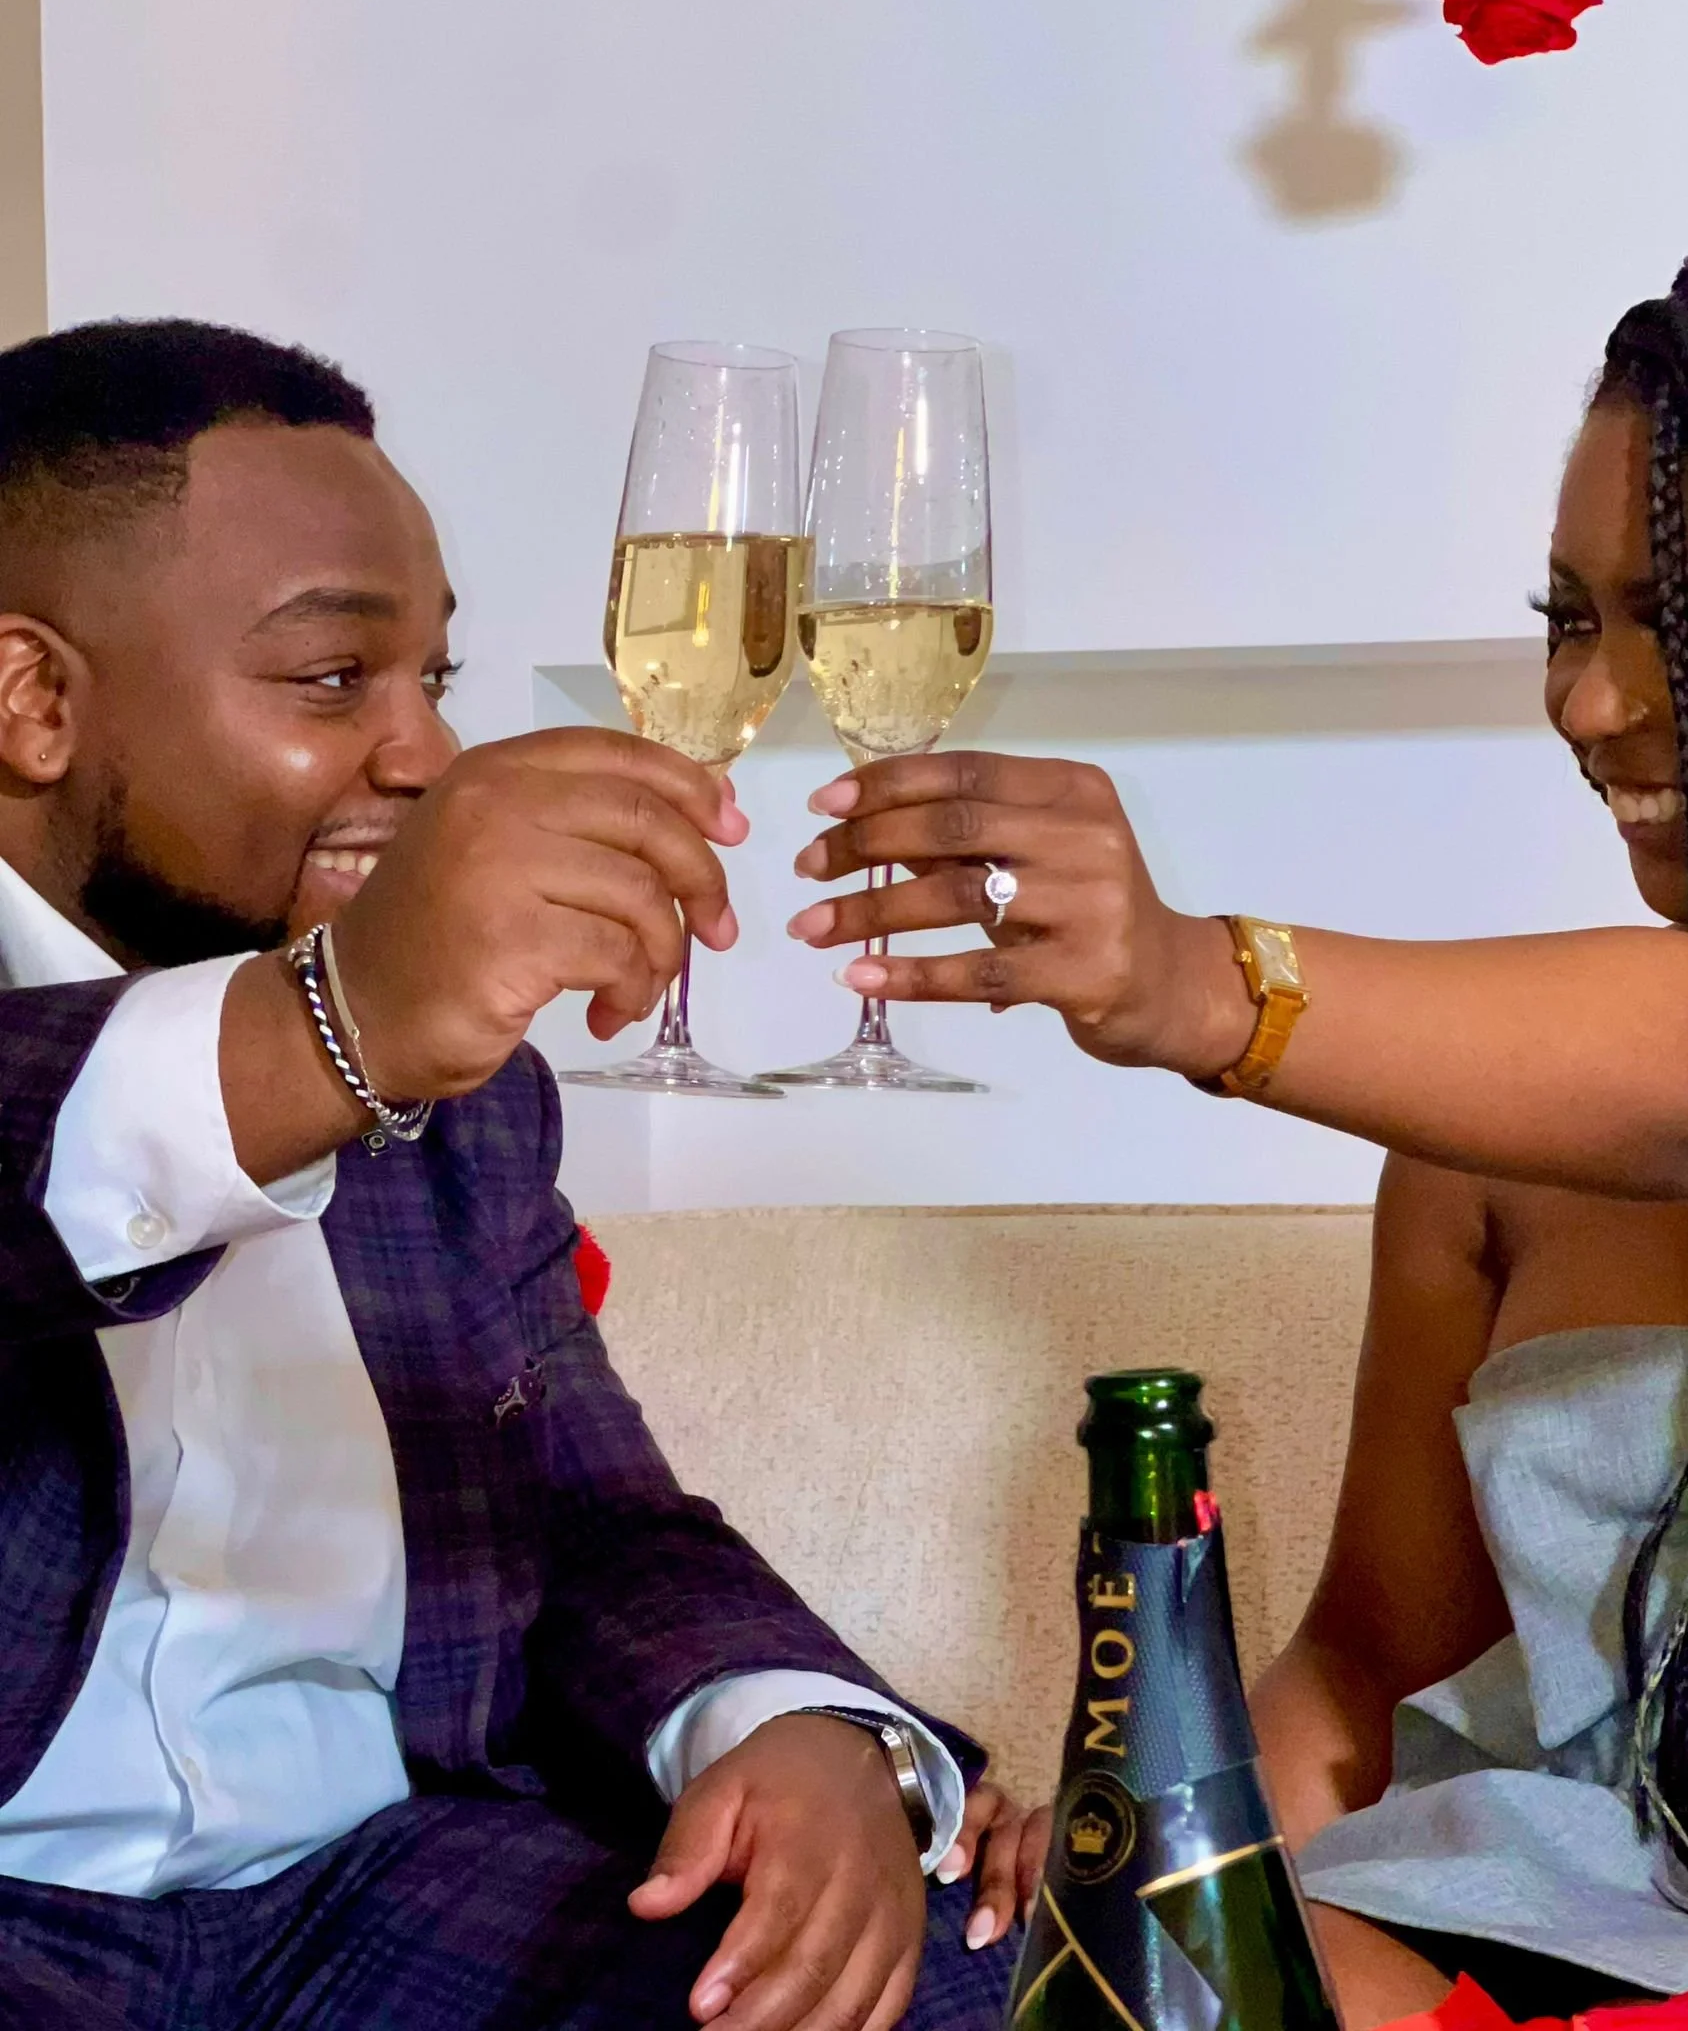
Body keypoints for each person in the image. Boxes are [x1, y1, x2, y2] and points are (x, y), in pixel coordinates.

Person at [785, 209, 1688, 2025]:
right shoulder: (1477, 1147)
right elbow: (1361, 1674)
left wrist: (1198, 980)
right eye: (1570, 620)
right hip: (1475, 1951)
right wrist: (1176, 1879)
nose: (1591, 704)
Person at [0, 318, 1036, 2031]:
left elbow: (594, 1516)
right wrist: (343, 1024)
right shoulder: (368, 1020)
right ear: (34, 699)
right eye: (336, 680)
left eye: (438, 682)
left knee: (907, 1978)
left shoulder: (459, 1091)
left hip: (367, 1893)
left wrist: (794, 1726)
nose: (419, 755)